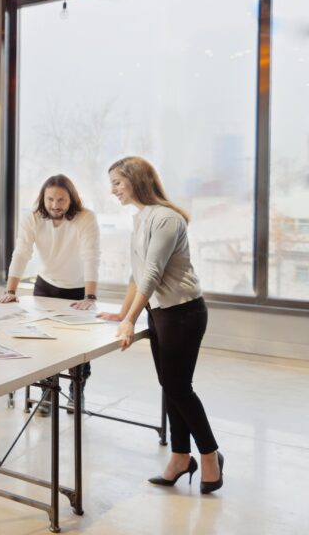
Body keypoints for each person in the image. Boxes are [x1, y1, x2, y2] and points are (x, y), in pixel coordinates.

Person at [95, 156, 223, 494]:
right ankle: (181, 458)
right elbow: (137, 274)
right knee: (171, 386)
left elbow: (152, 273)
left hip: (184, 313)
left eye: (118, 183)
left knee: (179, 387)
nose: (113, 190)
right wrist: (123, 315)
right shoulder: (141, 219)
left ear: (136, 181)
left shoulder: (166, 219)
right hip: (162, 313)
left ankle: (209, 455)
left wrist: (130, 321)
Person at [0, 174, 99, 416]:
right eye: (50, 199)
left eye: (61, 200)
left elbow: (91, 256)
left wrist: (91, 296)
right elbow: (21, 253)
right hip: (45, 286)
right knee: (44, 343)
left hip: (77, 290)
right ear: (43, 198)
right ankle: (47, 392)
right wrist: (10, 291)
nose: (55, 205)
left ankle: (77, 392)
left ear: (71, 199)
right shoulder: (32, 218)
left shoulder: (86, 218)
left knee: (78, 347)